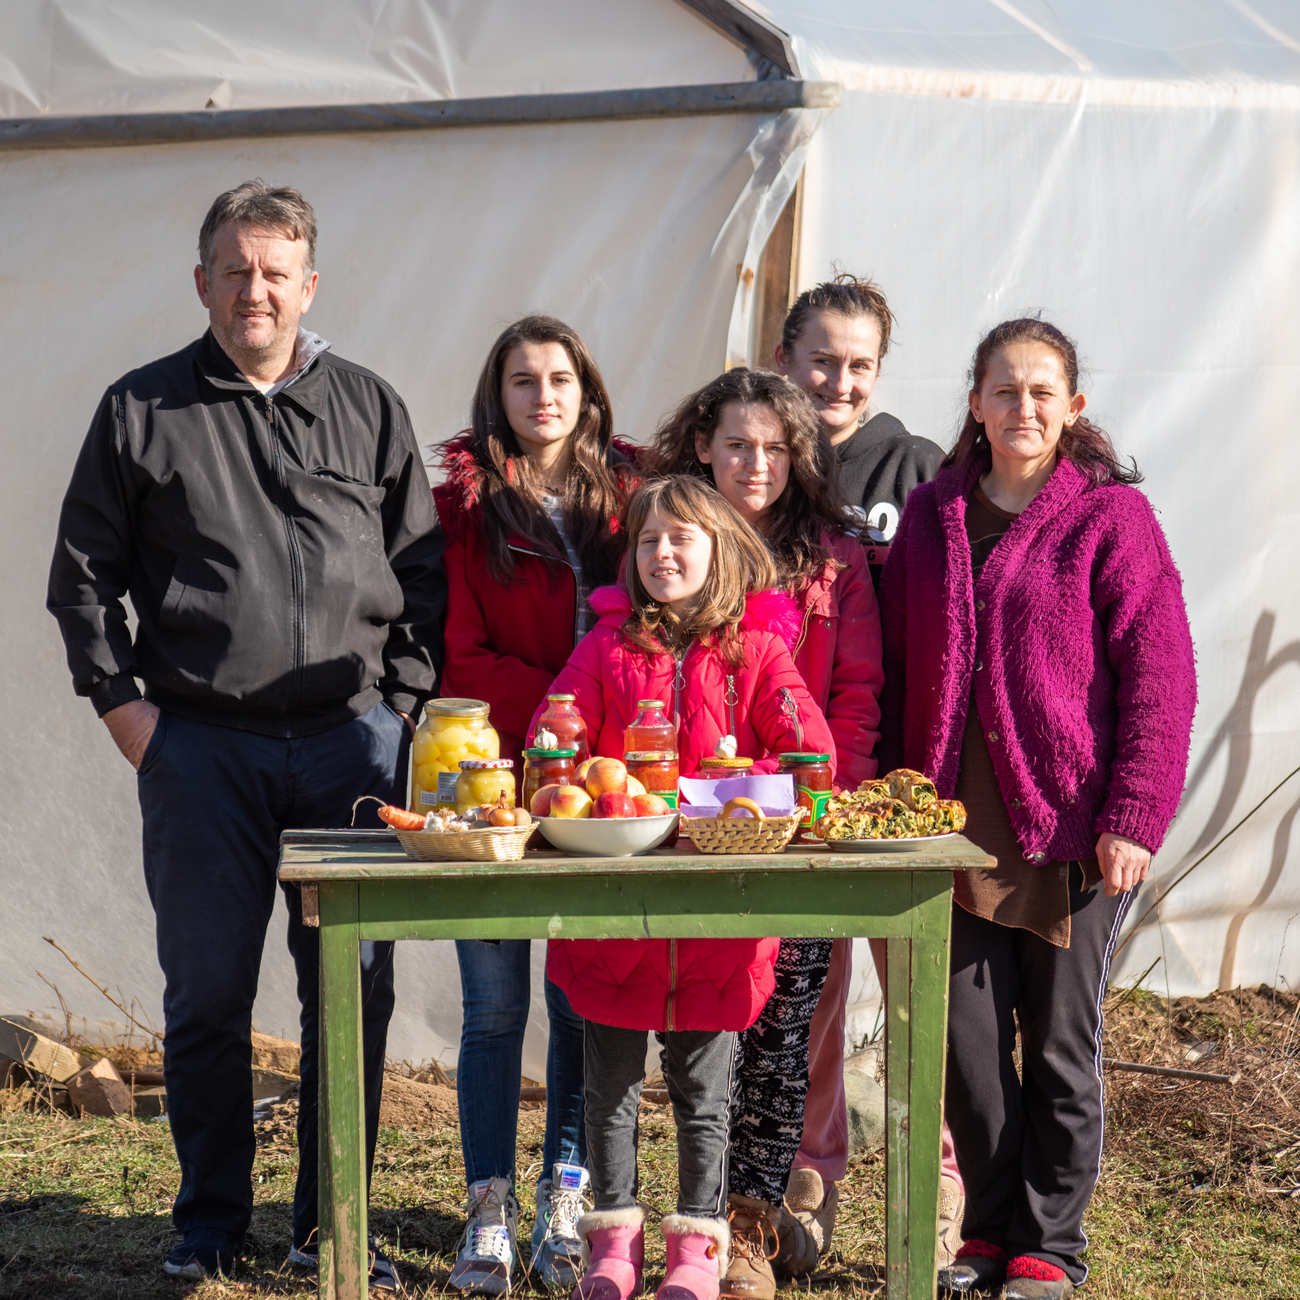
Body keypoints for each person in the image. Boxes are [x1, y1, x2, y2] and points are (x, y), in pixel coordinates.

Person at [45, 181, 445, 1287]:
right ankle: (211, 1221)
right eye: (236, 269)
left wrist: (397, 716)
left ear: (308, 286)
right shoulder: (143, 410)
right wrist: (135, 721)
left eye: (276, 272)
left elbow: (420, 574)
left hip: (349, 750)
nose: (255, 290)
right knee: (208, 993)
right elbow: (82, 582)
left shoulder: (367, 406)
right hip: (201, 750)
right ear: (202, 282)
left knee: (348, 990)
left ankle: (331, 1226)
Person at [879, 318, 1196, 1300]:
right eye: (1003, 391)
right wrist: (886, 802)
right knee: (968, 1053)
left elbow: (1160, 675)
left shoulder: (1110, 519)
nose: (1023, 409)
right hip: (950, 832)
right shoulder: (930, 518)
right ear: (973, 402)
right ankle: (984, 1234)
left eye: (1041, 392)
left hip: (1072, 831)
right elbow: (891, 668)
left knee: (1059, 1048)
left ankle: (1048, 1246)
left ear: (1073, 407)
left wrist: (1134, 813)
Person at [534, 474, 837, 1300]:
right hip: (615, 919)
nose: (662, 553)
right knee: (610, 1093)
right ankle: (612, 1245)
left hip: (718, 923)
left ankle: (697, 1248)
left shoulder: (758, 652)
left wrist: (735, 788)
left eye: (681, 538)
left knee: (705, 1096)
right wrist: (558, 738)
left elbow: (810, 753)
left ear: (722, 551)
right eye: (647, 541)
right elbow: (556, 725)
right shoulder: (606, 648)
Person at [643, 368, 882, 1297]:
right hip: (687, 829)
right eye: (739, 443)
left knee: (785, 1029)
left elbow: (855, 700)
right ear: (703, 442)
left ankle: (748, 1224)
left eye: (777, 448)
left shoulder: (832, 560)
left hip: (800, 829)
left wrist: (827, 811)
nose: (757, 464)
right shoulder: (669, 538)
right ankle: (680, 1220)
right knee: (702, 1035)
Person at [433, 315, 638, 1294]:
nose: (543, 394)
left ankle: (565, 1197)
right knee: (492, 1006)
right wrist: (566, 701)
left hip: (594, 790)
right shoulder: (464, 511)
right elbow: (461, 654)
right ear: (498, 395)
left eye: (560, 377)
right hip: (489, 783)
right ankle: (486, 1212)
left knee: (574, 1003)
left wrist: (591, 718)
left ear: (588, 393)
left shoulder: (627, 501)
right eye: (523, 379)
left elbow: (647, 626)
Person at [775, 275, 962, 1263]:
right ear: (785, 358)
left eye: (857, 365)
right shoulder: (763, 461)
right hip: (802, 778)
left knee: (912, 996)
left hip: (899, 783)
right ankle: (811, 1178)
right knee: (806, 989)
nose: (837, 381)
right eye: (821, 360)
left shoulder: (917, 468)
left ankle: (932, 1184)